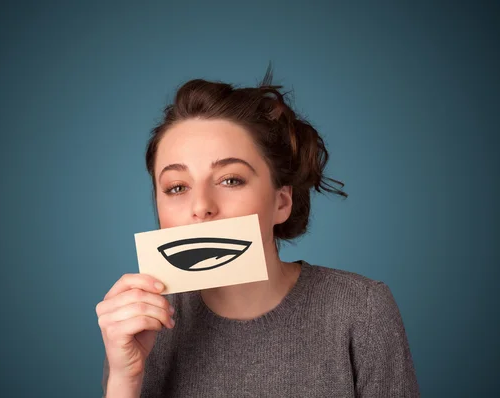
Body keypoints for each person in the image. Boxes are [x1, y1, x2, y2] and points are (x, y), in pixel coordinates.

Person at [96, 67, 419, 397]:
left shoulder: (360, 309)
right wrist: (124, 378)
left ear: (281, 202)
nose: (201, 206)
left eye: (231, 180)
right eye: (177, 187)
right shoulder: (142, 325)